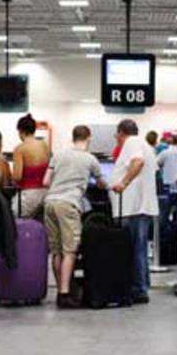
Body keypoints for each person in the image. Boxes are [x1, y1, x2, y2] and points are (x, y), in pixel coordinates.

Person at [43, 125, 107, 308]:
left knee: (56, 251)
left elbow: (46, 181)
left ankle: (60, 290)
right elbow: (102, 183)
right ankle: (65, 294)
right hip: (69, 204)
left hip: (50, 202)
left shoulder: (59, 154)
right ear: (88, 138)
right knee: (70, 250)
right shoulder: (90, 159)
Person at [110, 119, 159, 304]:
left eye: (117, 136)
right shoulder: (146, 145)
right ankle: (142, 285)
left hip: (133, 207)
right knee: (140, 249)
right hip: (140, 207)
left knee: (134, 249)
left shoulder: (133, 142)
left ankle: (138, 289)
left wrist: (123, 183)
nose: (117, 139)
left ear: (122, 133)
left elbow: (137, 162)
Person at [12, 114, 49, 218]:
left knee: (14, 218)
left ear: (21, 131)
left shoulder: (20, 149)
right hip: (46, 193)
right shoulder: (44, 145)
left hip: (30, 194)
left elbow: (17, 177)